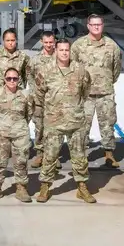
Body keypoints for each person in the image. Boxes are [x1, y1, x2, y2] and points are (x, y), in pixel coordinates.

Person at [34, 38, 95, 203]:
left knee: (80, 156)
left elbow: (86, 91)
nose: (64, 53)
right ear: (55, 51)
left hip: (76, 121)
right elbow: (39, 93)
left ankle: (82, 187)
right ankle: (45, 187)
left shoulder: (80, 70)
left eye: (67, 50)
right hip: (54, 121)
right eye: (61, 50)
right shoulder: (46, 70)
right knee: (50, 155)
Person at [70, 14, 122, 168]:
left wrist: (107, 81)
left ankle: (109, 154)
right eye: (93, 25)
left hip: (105, 92)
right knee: (82, 126)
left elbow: (116, 69)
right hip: (85, 94)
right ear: (88, 26)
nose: (96, 27)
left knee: (108, 124)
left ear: (103, 25)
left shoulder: (112, 45)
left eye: (99, 24)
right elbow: (73, 68)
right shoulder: (78, 45)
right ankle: (81, 155)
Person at [0, 67, 33, 203]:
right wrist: (2, 122)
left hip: (20, 133)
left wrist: (19, 124)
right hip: (1, 133)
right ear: (4, 79)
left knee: (21, 161)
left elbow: (29, 113)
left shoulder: (25, 94)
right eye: (9, 78)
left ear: (19, 80)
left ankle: (21, 188)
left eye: (15, 78)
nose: (12, 81)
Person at [29, 30, 57, 168]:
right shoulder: (35, 60)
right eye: (46, 42)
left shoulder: (60, 58)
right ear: (41, 42)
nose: (48, 45)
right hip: (39, 101)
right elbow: (30, 77)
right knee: (39, 128)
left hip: (56, 101)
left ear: (55, 41)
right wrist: (35, 94)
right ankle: (40, 154)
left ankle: (53, 156)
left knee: (54, 129)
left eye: (51, 42)